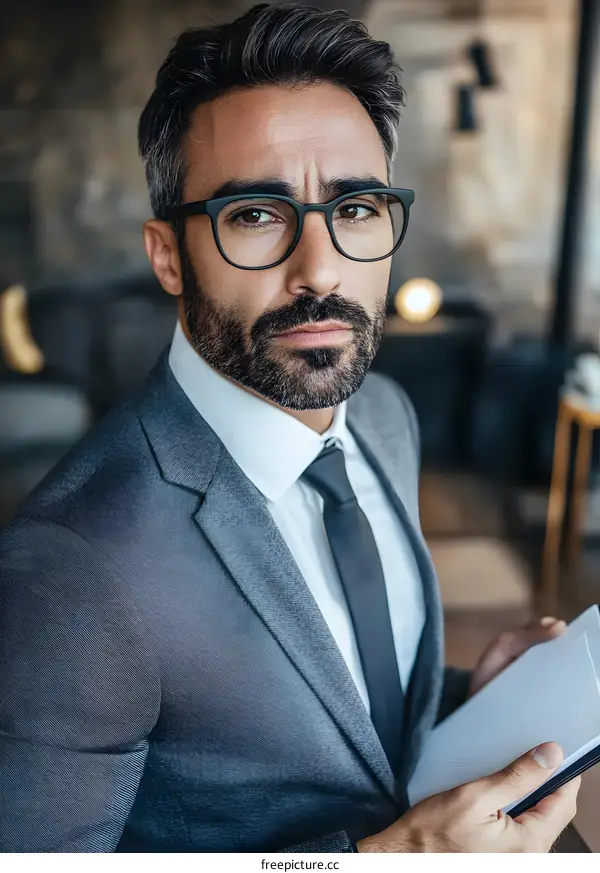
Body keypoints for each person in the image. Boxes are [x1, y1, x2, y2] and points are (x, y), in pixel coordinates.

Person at [0, 2, 579, 853]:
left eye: (355, 209)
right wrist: (388, 860)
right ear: (168, 254)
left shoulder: (381, 414)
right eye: (256, 216)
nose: (320, 271)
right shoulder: (71, 565)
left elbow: (322, 716)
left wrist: (466, 700)